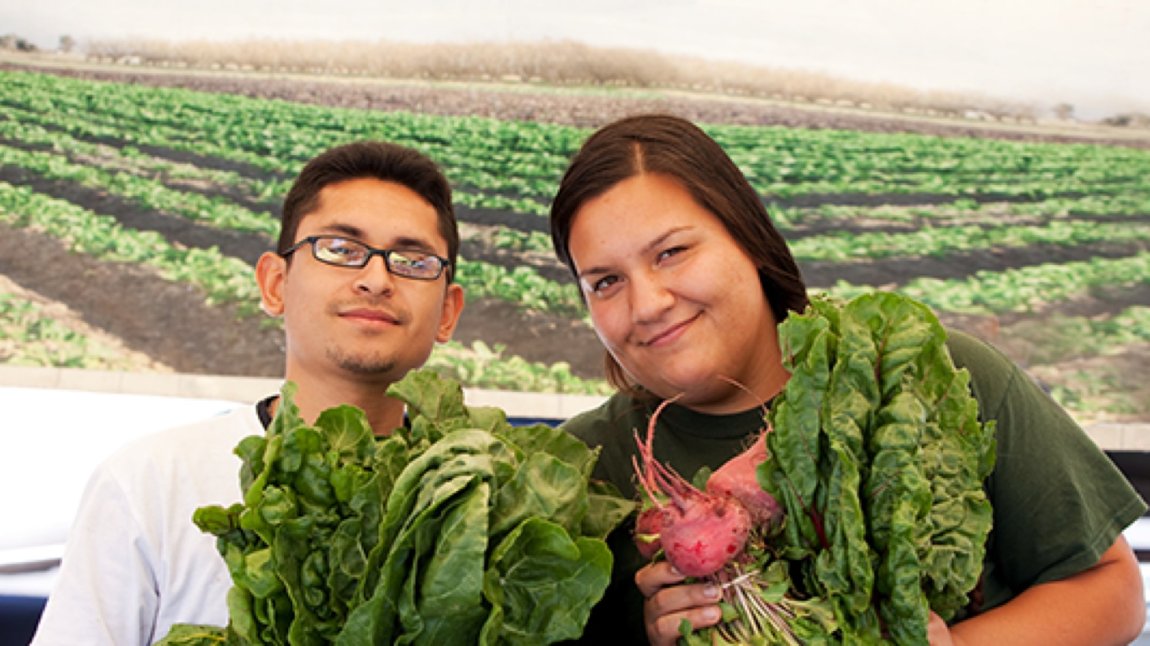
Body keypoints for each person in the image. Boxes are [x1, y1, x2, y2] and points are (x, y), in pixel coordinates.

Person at [548, 114, 1147, 645]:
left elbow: (1113, 591)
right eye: (605, 282)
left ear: (747, 237)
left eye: (672, 252)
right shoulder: (575, 469)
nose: (648, 303)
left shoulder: (923, 374)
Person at [32, 140, 466, 645]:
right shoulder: (150, 481)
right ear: (275, 284)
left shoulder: (479, 495)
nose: (376, 279)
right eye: (342, 250)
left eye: (412, 261)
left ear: (449, 312)